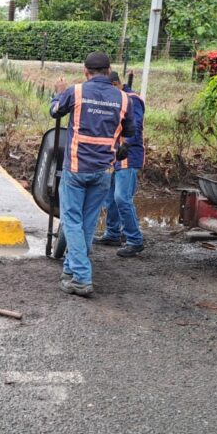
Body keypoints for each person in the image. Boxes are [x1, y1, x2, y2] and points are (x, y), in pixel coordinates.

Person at [49, 51, 134, 297]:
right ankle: (71, 270)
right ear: (109, 71)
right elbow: (129, 132)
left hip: (76, 169)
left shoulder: (75, 92)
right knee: (86, 222)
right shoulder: (123, 98)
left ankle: (82, 278)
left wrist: (58, 91)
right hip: (103, 171)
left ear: (86, 72)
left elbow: (55, 111)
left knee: (72, 221)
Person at [96, 71, 146, 257]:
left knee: (122, 198)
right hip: (114, 155)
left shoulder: (132, 100)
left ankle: (134, 239)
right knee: (110, 197)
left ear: (116, 84)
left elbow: (136, 126)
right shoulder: (118, 99)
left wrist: (124, 145)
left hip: (128, 155)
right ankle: (113, 233)